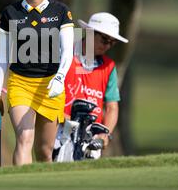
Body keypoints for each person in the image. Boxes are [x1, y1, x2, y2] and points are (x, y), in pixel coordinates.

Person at [0, 0, 74, 165]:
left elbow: (67, 52)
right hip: (20, 84)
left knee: (45, 151)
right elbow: (2, 56)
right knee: (24, 138)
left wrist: (60, 78)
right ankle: (20, 189)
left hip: (51, 86)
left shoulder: (60, 12)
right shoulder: (10, 13)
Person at [54, 12, 128, 159]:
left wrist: (105, 134)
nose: (107, 46)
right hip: (60, 130)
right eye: (105, 39)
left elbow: (112, 106)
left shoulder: (109, 67)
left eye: (112, 43)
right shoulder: (64, 54)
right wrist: (59, 114)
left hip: (90, 137)